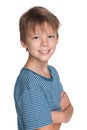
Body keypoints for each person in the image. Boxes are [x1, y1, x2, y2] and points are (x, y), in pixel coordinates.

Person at [14, 6, 73, 130]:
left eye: (50, 36)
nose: (45, 43)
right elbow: (64, 111)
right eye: (36, 37)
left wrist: (58, 115)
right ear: (23, 42)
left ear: (57, 39)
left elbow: (70, 108)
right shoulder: (31, 85)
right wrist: (62, 115)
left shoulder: (53, 72)